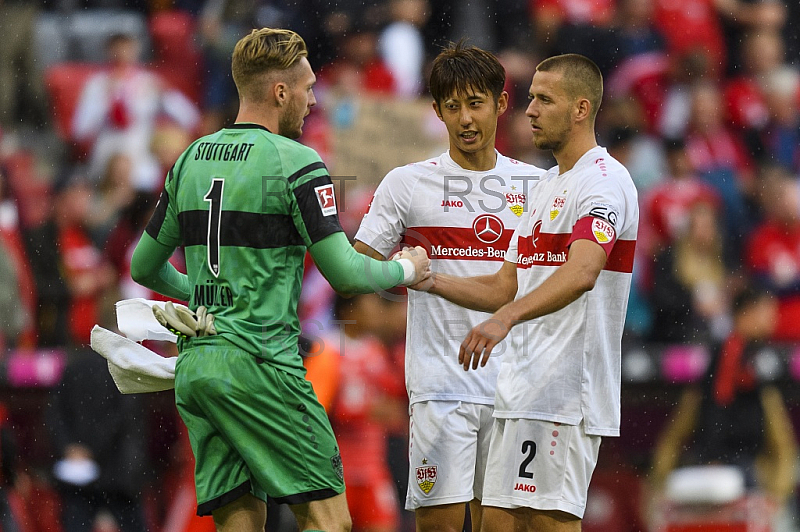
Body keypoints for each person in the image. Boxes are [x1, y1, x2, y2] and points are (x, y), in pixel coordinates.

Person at [128, 28, 431, 532]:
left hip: (200, 366)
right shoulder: (296, 162)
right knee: (330, 522)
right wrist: (407, 268)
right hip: (262, 365)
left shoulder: (190, 158)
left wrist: (205, 296)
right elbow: (347, 275)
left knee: (239, 524)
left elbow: (145, 267)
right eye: (308, 87)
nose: (315, 100)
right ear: (280, 91)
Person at [413, 54, 639, 531]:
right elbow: (503, 284)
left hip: (565, 392)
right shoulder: (546, 186)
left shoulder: (604, 182)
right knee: (496, 523)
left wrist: (506, 318)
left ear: (581, 109)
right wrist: (427, 278)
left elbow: (582, 271)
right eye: (531, 97)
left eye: (543, 99)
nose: (529, 110)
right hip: (518, 390)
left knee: (548, 524)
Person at [354, 42, 544, 532]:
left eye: (476, 103)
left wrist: (427, 276)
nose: (465, 118)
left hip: (515, 390)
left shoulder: (538, 186)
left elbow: (530, 286)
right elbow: (357, 271)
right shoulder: (406, 183)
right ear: (436, 110)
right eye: (453, 105)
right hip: (440, 387)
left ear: (501, 104)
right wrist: (395, 272)